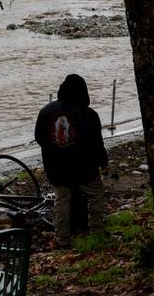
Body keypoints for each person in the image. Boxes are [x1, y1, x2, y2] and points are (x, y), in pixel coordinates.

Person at [34, 74, 108, 245]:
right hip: (84, 168)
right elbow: (97, 143)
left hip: (57, 167)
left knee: (62, 199)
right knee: (96, 194)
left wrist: (54, 151)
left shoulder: (46, 111)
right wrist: (103, 163)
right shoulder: (89, 114)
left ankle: (62, 239)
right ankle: (98, 232)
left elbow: (39, 137)